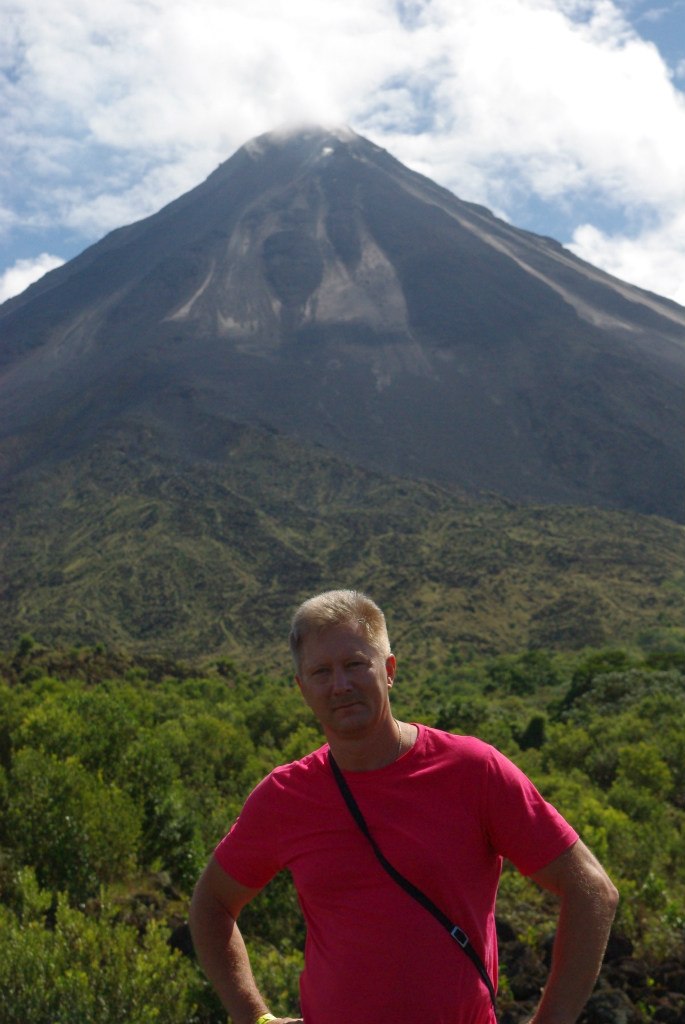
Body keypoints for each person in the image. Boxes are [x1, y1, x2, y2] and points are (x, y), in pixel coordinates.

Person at [190, 589, 618, 1024]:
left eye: (356, 664)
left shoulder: (472, 770)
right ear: (302, 688)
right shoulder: (286, 797)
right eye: (321, 671)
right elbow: (212, 905)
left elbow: (591, 890)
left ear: (389, 669)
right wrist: (256, 1017)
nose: (340, 685)